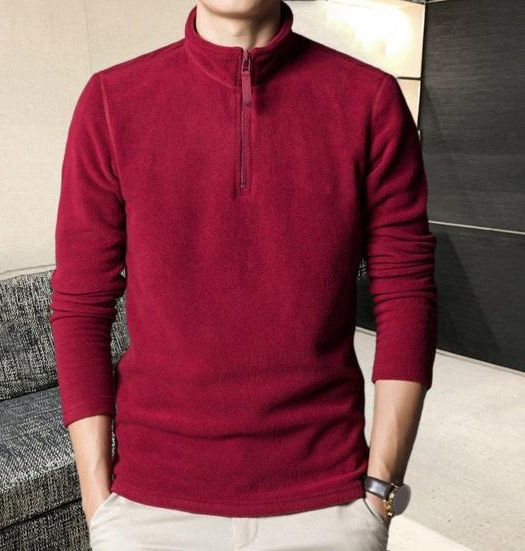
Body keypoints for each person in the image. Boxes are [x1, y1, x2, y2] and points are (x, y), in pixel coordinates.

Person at [49, 1, 438, 549]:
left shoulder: (369, 99)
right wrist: (99, 502)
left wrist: (380, 490)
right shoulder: (112, 100)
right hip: (148, 505)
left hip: (328, 499)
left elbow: (407, 289)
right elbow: (80, 302)